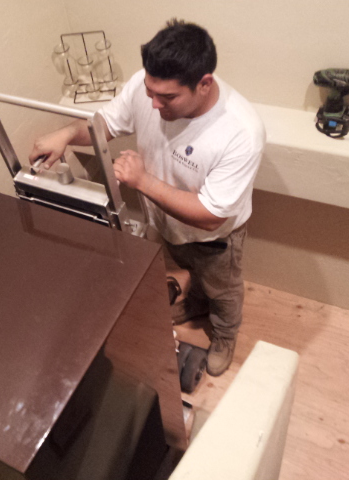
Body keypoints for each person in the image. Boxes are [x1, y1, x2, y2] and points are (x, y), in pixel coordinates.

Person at [29, 19, 265, 376]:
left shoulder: (240, 132)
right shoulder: (149, 85)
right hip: (168, 223)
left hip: (216, 239)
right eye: (149, 91)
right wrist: (64, 134)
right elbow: (107, 124)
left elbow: (211, 217)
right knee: (192, 273)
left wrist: (142, 181)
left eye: (167, 97)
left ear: (204, 84)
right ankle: (196, 303)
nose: (152, 104)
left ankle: (225, 334)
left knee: (223, 290)